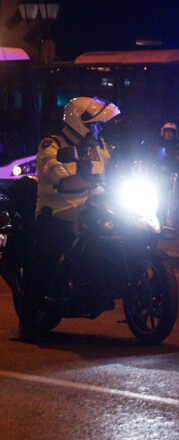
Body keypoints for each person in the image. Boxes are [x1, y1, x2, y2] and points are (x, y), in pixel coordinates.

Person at [28, 97, 120, 327]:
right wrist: (77, 181)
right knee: (48, 256)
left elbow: (115, 169)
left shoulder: (99, 146)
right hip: (57, 212)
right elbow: (57, 174)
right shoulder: (52, 145)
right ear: (80, 123)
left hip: (92, 211)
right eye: (95, 125)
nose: (99, 129)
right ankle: (29, 318)